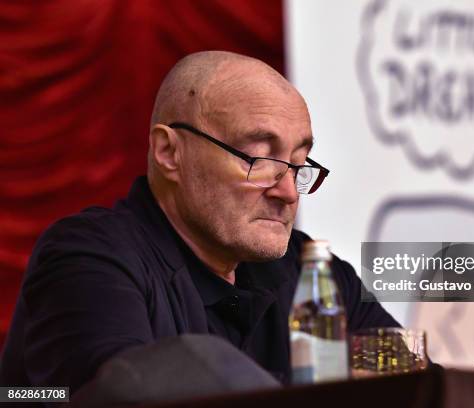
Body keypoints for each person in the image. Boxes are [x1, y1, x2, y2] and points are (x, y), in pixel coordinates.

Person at [0, 51, 399, 393]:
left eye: (297, 165)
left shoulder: (311, 272)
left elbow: (413, 373)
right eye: (258, 159)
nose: (289, 192)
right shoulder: (88, 258)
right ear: (169, 152)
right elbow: (123, 393)